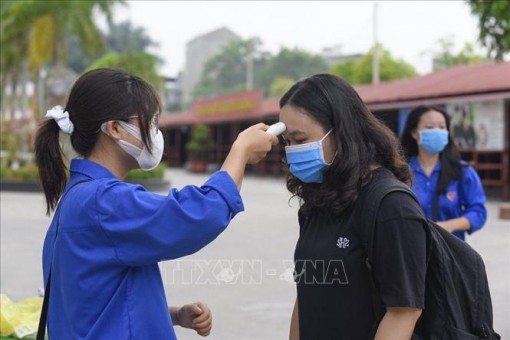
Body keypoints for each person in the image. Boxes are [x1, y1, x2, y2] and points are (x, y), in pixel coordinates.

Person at [34, 68, 278, 339]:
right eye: (149, 122)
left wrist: (171, 314)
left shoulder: (77, 197)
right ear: (115, 128)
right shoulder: (104, 201)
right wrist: (240, 151)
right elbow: (197, 215)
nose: (155, 133)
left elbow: (90, 302)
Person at [280, 74, 426, 340]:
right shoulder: (317, 202)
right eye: (287, 142)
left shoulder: (391, 205)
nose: (292, 151)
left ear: (341, 131)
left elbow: (404, 312)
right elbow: (306, 293)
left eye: (300, 140)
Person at [400, 105, 487, 240]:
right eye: (430, 127)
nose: (437, 131)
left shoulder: (462, 171)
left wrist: (449, 225)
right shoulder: (400, 171)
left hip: (449, 252)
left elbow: (479, 212)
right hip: (409, 249)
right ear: (414, 133)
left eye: (442, 127)